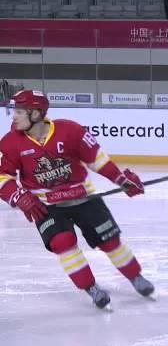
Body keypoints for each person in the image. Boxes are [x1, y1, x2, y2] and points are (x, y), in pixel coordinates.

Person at [0, 90, 154, 309]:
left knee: (110, 241)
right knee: (62, 242)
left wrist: (120, 180)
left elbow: (96, 159)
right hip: (46, 206)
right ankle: (91, 288)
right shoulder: (10, 143)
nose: (14, 116)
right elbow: (2, 176)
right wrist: (17, 196)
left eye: (19, 111)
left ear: (35, 114)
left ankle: (135, 276)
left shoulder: (70, 130)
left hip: (84, 197)